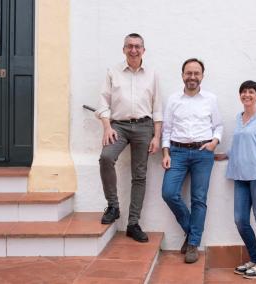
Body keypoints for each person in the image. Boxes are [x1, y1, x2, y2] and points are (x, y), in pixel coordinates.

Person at [95, 33, 162, 243]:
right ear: (123, 49)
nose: (133, 50)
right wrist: (107, 127)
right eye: (129, 46)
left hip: (144, 127)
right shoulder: (112, 72)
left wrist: (156, 136)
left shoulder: (152, 74)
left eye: (137, 47)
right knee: (106, 158)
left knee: (139, 175)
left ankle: (133, 223)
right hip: (119, 126)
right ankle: (113, 206)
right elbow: (103, 102)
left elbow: (157, 106)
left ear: (144, 50)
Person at [161, 58, 223, 263]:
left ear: (202, 76)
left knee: (199, 199)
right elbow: (167, 129)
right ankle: (192, 232)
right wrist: (166, 152)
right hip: (177, 152)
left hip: (203, 153)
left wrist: (214, 142)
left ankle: (193, 245)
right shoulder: (173, 99)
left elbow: (219, 126)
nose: (192, 77)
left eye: (196, 73)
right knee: (169, 193)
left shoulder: (210, 99)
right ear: (182, 75)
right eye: (189, 73)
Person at [216, 80, 256, 279]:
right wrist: (225, 155)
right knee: (240, 220)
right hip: (240, 175)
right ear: (240, 96)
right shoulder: (239, 117)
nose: (247, 95)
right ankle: (255, 257)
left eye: (251, 92)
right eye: (243, 92)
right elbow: (240, 144)